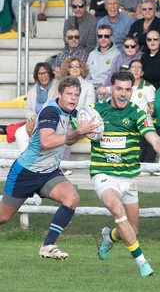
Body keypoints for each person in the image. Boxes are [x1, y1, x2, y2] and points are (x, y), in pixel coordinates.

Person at [91, 71, 160, 277]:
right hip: (103, 174)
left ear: (132, 90)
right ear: (111, 88)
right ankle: (142, 263)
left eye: (127, 90)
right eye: (119, 89)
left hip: (127, 177)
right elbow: (74, 132)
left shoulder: (138, 113)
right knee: (117, 210)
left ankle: (109, 237)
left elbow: (155, 139)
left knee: (131, 229)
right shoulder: (96, 111)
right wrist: (80, 131)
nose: (123, 94)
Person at [0, 76, 98, 260]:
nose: (73, 98)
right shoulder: (50, 112)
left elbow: (72, 137)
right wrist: (77, 132)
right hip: (26, 172)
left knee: (72, 198)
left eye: (76, 95)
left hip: (48, 172)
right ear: (60, 94)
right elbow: (46, 141)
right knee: (3, 217)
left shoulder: (73, 113)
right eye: (69, 93)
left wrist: (89, 131)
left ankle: (48, 245)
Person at [15, 62, 59, 152]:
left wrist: (39, 118)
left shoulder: (57, 86)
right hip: (35, 123)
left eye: (45, 73)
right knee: (20, 133)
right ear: (36, 76)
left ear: (50, 73)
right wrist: (33, 117)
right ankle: (26, 158)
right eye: (40, 74)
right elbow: (27, 109)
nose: (43, 76)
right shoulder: (32, 90)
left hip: (50, 122)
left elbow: (56, 107)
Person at [87, 24, 120, 89]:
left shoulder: (117, 55)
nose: (103, 39)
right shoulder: (92, 54)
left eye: (106, 36)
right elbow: (86, 74)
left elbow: (115, 78)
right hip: (90, 87)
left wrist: (104, 88)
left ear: (112, 37)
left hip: (106, 89)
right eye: (100, 36)